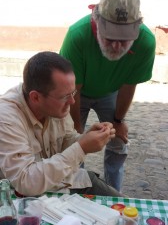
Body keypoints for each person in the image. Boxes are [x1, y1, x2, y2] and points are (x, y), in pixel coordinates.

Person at [59, 0, 156, 191]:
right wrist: (77, 128)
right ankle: (78, 187)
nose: (116, 46)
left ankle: (113, 192)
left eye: (124, 39)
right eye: (110, 38)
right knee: (73, 141)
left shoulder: (146, 42)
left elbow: (129, 85)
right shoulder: (78, 36)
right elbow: (71, 90)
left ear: (138, 27)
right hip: (76, 94)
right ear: (96, 21)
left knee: (119, 141)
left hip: (111, 92)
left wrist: (118, 120)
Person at [0, 51, 123, 197]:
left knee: (122, 206)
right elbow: (26, 182)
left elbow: (65, 140)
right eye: (65, 96)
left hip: (61, 181)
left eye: (73, 93)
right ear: (35, 97)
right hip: (20, 197)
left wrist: (85, 139)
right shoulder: (7, 116)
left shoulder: (56, 105)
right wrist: (81, 148)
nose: (72, 101)